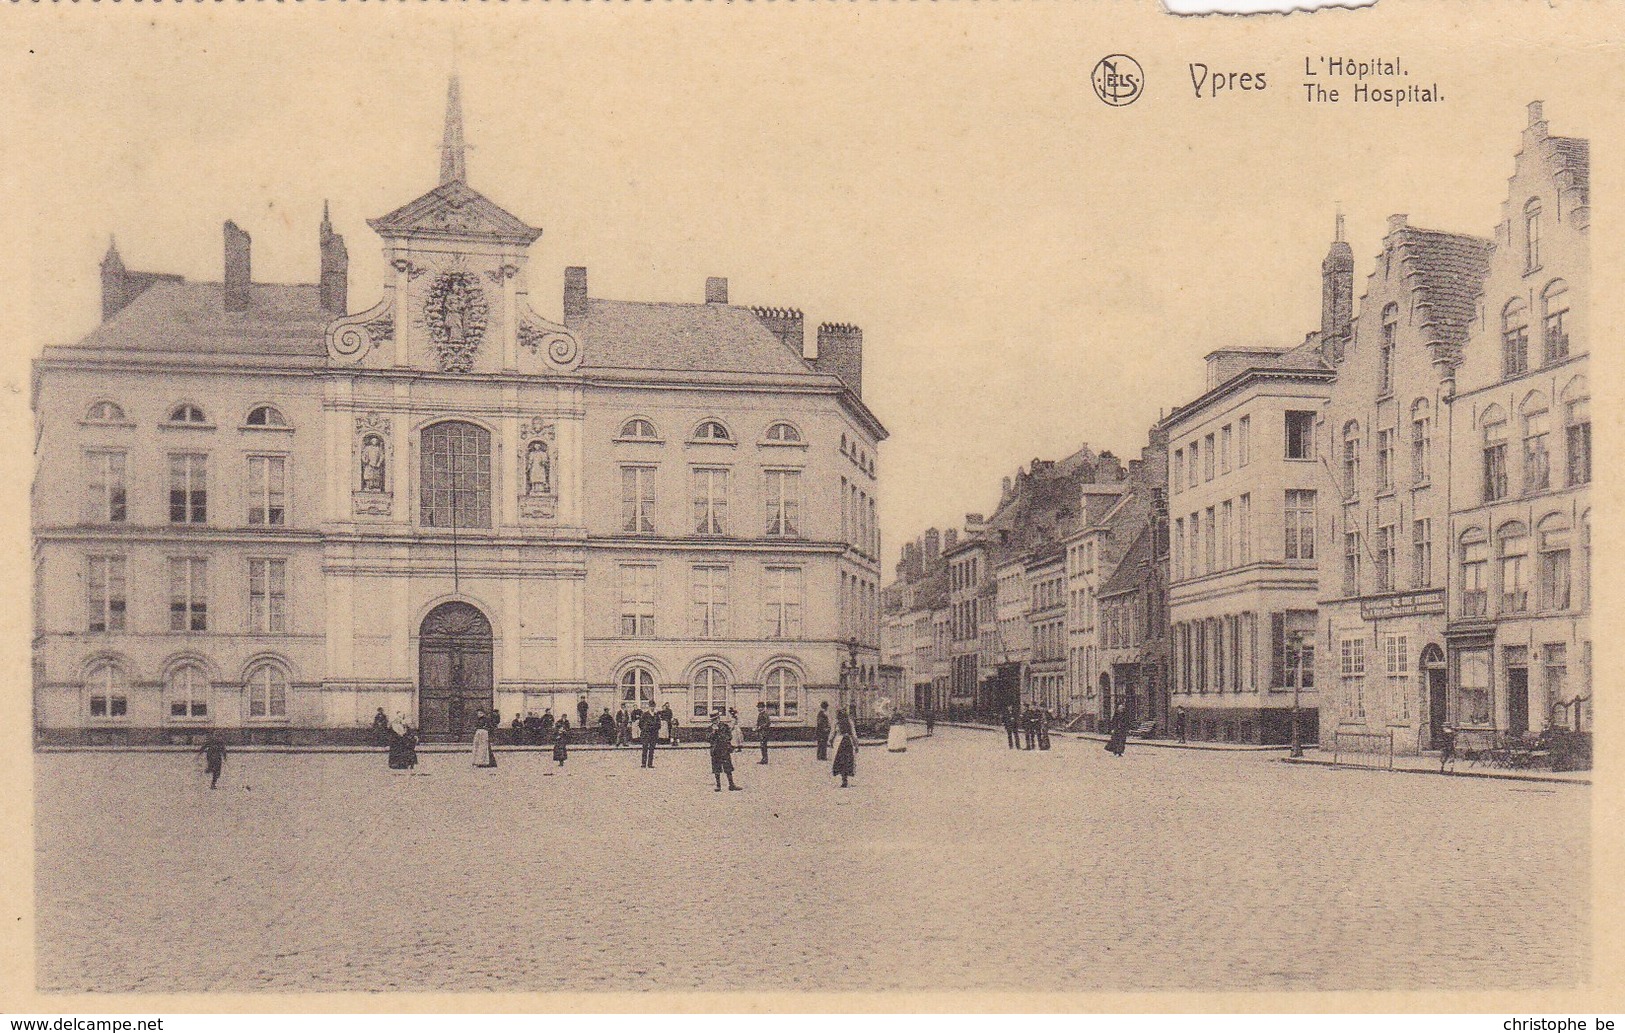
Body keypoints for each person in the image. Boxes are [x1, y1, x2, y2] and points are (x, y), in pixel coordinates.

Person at [709, 715, 743, 792]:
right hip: (715, 751)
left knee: (728, 768)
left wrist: (720, 734)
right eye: (713, 720)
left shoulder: (724, 726)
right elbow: (707, 738)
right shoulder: (710, 728)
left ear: (719, 719)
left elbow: (729, 736)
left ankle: (731, 785)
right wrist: (713, 732)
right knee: (716, 769)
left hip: (724, 750)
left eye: (716, 719)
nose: (714, 721)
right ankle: (718, 786)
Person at [831, 707, 858, 788]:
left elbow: (832, 733)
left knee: (840, 760)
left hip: (839, 741)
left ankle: (843, 779)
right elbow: (854, 734)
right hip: (848, 741)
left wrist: (830, 741)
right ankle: (845, 778)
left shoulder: (836, 722)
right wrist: (856, 745)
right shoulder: (849, 722)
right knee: (847, 760)